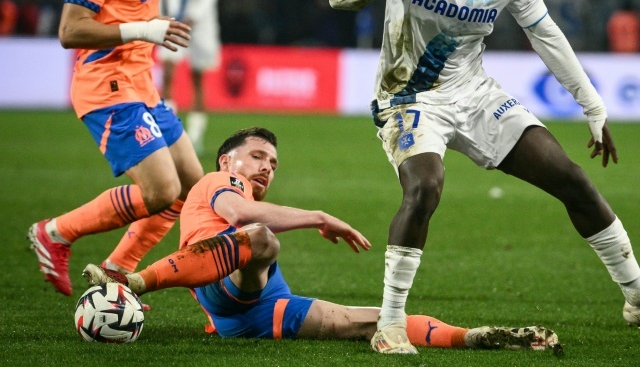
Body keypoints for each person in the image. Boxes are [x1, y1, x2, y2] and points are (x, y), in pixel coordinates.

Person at [328, 0, 640, 354]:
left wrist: (592, 104)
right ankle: (391, 323)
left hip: (476, 93)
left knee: (571, 178)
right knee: (425, 187)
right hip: (409, 97)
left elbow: (544, 34)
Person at [83, 127, 562, 353]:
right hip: (224, 281)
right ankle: (134, 284)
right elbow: (238, 215)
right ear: (226, 162)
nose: (266, 166)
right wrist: (317, 216)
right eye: (256, 156)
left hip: (255, 312)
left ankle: (474, 337)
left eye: (272, 162)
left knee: (375, 322)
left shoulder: (241, 185)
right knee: (262, 239)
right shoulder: (217, 184)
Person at [27, 0, 204, 297]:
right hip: (106, 86)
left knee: (190, 186)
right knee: (161, 190)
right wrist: (144, 30)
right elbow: (70, 30)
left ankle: (116, 269)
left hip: (142, 84)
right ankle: (55, 232)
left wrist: (150, 30)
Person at [155, 0, 226, 154]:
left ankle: (195, 138)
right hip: (173, 20)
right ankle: (169, 135)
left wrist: (194, 16)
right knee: (168, 74)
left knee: (198, 78)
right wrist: (159, 14)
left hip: (202, 24)